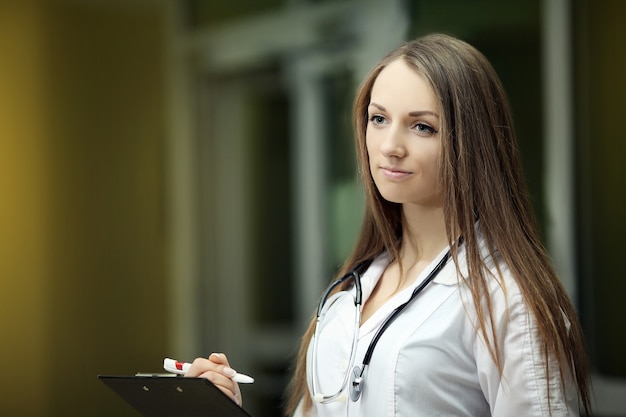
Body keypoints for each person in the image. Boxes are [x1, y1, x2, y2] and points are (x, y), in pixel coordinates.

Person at [186, 33, 592, 416]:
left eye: (422, 127)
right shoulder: (353, 289)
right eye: (378, 119)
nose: (390, 147)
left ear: (471, 142)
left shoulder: (509, 301)